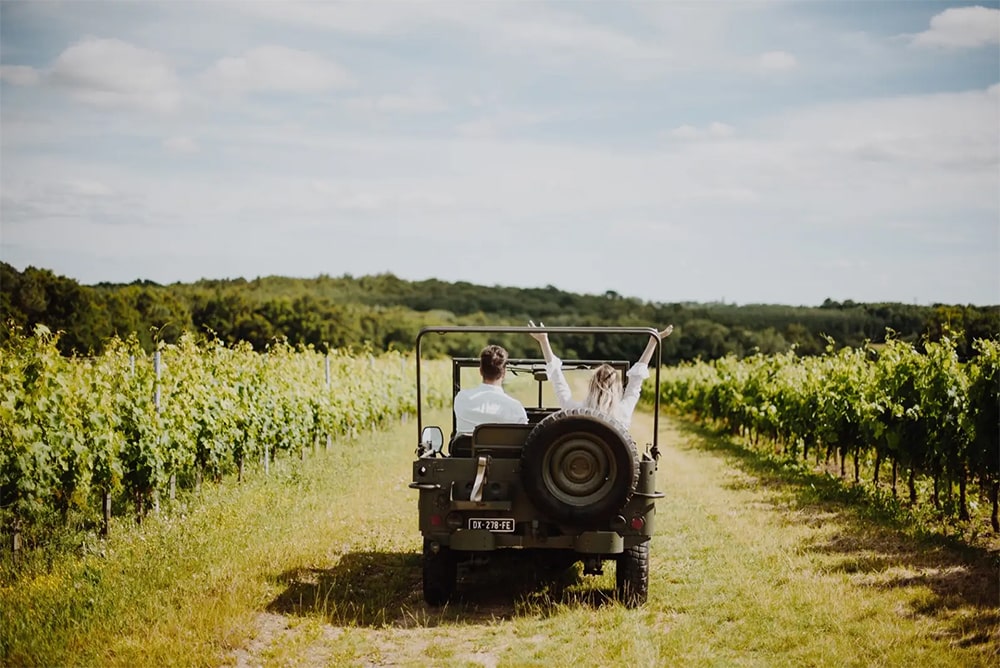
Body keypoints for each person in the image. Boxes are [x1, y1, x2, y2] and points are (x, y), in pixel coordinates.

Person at [527, 321, 673, 426]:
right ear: (617, 388)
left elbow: (558, 381)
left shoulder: (576, 411)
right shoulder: (623, 412)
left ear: (592, 386)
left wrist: (544, 341)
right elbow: (636, 381)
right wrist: (653, 342)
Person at [453, 344, 528, 435]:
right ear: (504, 373)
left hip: (466, 449)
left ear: (480, 370)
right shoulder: (515, 408)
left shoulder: (461, 398)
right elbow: (524, 442)